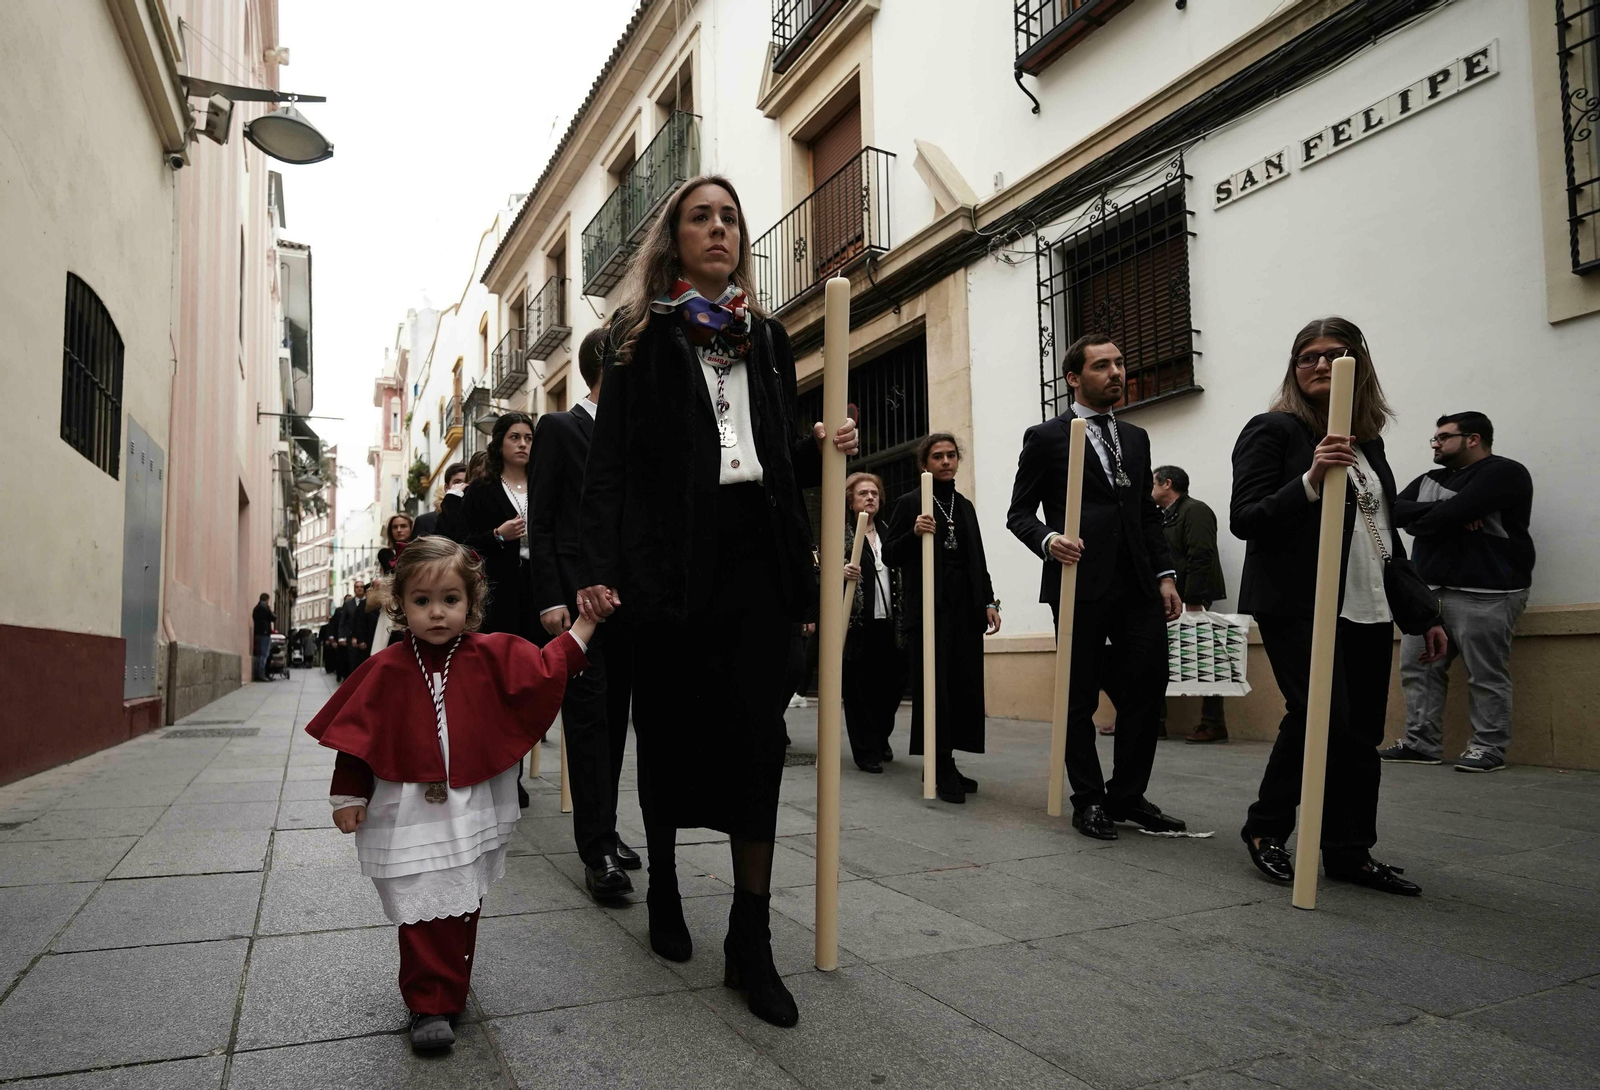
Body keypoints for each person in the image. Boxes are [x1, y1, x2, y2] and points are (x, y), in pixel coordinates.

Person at [576, 174, 857, 1028]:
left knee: (758, 745)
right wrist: (599, 569)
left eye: (730, 217)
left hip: (757, 572)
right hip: (670, 575)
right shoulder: (640, 340)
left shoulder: (767, 338)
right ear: (676, 239)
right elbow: (611, 470)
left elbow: (770, 452)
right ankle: (663, 883)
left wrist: (823, 446)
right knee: (665, 735)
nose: (720, 228)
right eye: (702, 217)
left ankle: (751, 937)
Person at [308, 536, 595, 1053]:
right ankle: (427, 1002)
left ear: (471, 603)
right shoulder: (385, 668)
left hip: (469, 804)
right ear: (400, 605)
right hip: (406, 810)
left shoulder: (490, 653)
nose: (437, 613)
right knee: (419, 896)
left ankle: (449, 987)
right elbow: (356, 740)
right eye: (422, 602)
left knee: (462, 898)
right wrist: (348, 795)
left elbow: (547, 669)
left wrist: (587, 623)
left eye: (450, 601)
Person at [1231, 316, 1447, 896]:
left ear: (1360, 364)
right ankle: (1265, 829)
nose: (1321, 365)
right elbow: (1246, 518)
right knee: (1319, 716)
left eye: (1336, 354)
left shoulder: (1369, 443)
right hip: (1298, 603)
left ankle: (1349, 850)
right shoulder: (1273, 430)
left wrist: (1422, 613)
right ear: (1294, 369)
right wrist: (1309, 478)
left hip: (1368, 604)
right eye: (1308, 356)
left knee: (1361, 733)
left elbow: (1384, 534)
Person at [1006, 334, 1186, 841]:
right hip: (1077, 583)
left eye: (1120, 363)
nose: (1116, 372)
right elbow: (1018, 514)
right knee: (1078, 694)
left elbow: (1146, 514)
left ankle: (1127, 795)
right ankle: (1087, 799)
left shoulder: (1135, 437)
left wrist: (1165, 575)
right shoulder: (1046, 438)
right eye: (1102, 365)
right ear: (1073, 377)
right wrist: (1048, 540)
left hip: (1137, 585)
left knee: (1148, 686)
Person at [529, 326, 640, 902]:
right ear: (609, 364)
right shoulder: (560, 428)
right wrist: (552, 595)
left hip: (632, 605)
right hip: (579, 604)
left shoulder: (635, 433)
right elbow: (543, 518)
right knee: (589, 724)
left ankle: (607, 828)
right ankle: (595, 850)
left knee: (616, 726)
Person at [1383, 412, 1535, 773]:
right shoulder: (1429, 479)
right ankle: (1422, 744)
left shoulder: (1504, 472)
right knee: (1419, 671)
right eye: (1434, 438)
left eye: (1443, 437)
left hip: (1488, 592)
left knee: (1486, 674)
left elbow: (1450, 511)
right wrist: (1443, 513)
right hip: (1429, 595)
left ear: (1473, 438)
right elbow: (1392, 511)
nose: (1435, 444)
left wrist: (1432, 517)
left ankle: (1489, 748)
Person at [885, 438, 999, 802]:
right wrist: (913, 533)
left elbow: (976, 556)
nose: (946, 462)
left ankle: (945, 761)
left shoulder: (963, 505)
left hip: (964, 606)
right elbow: (889, 554)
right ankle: (939, 766)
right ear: (925, 463)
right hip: (931, 607)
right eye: (938, 456)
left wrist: (988, 600)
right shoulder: (910, 502)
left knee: (962, 685)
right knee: (936, 688)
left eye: (951, 456)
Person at [1151, 465, 1229, 743]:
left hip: (1190, 597)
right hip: (1169, 598)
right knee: (1154, 657)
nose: (1150, 489)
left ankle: (1213, 723)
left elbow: (1201, 554)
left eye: (1153, 483)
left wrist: (1194, 600)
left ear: (1167, 484)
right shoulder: (1161, 517)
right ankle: (1153, 722)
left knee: (1207, 656)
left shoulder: (1195, 510)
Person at [841, 472, 904, 774]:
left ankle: (880, 736)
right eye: (863, 493)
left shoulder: (890, 533)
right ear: (851, 501)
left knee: (891, 689)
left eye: (875, 493)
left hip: (891, 625)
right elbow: (819, 574)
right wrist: (840, 572)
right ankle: (866, 751)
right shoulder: (840, 537)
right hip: (857, 626)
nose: (870, 497)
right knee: (859, 691)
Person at [461, 414, 538, 640]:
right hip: (498, 590)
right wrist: (497, 536)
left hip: (539, 586)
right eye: (514, 437)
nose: (523, 444)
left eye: (529, 438)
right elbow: (462, 543)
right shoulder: (480, 490)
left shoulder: (543, 484)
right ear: (499, 443)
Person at [413, 462, 467, 541]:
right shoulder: (425, 521)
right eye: (457, 482)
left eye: (467, 482)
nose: (463, 486)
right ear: (447, 488)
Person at [334, 586, 371, 682]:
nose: (360, 589)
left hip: (365, 638)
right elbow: (342, 621)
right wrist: (341, 637)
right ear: (354, 589)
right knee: (351, 661)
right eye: (357, 587)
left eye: (361, 587)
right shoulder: (348, 604)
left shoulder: (369, 602)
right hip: (350, 637)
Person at [251, 593, 274, 682]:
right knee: (264, 655)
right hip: (265, 633)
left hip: (257, 633)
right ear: (267, 599)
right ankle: (261, 674)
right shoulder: (265, 608)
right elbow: (273, 617)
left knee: (259, 654)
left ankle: (258, 673)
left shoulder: (256, 608)